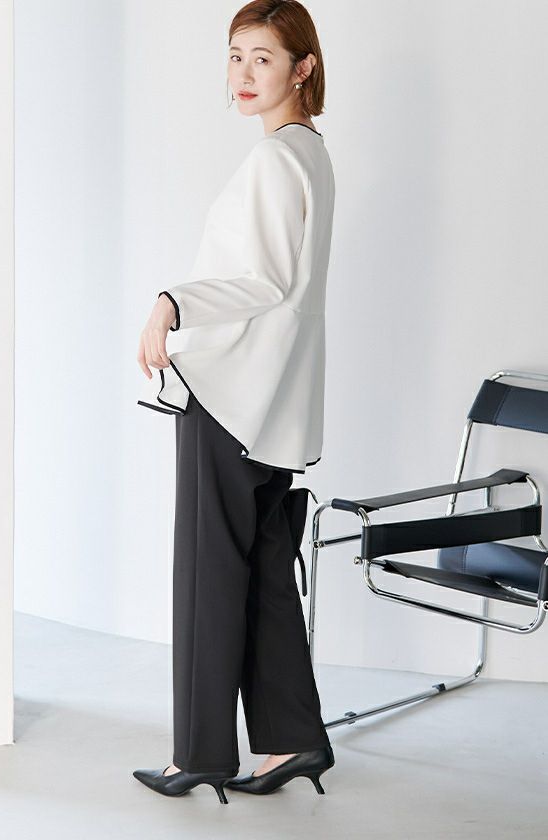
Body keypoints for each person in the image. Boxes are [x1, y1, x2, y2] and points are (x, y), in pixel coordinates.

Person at [133, 0, 336, 805]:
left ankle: (201, 754)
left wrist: (172, 302)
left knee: (209, 574)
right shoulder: (311, 153)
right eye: (235, 55)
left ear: (302, 68)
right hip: (275, 404)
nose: (244, 74)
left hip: (231, 397)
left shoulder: (276, 161)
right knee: (262, 572)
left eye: (264, 58)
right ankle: (290, 739)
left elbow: (264, 282)